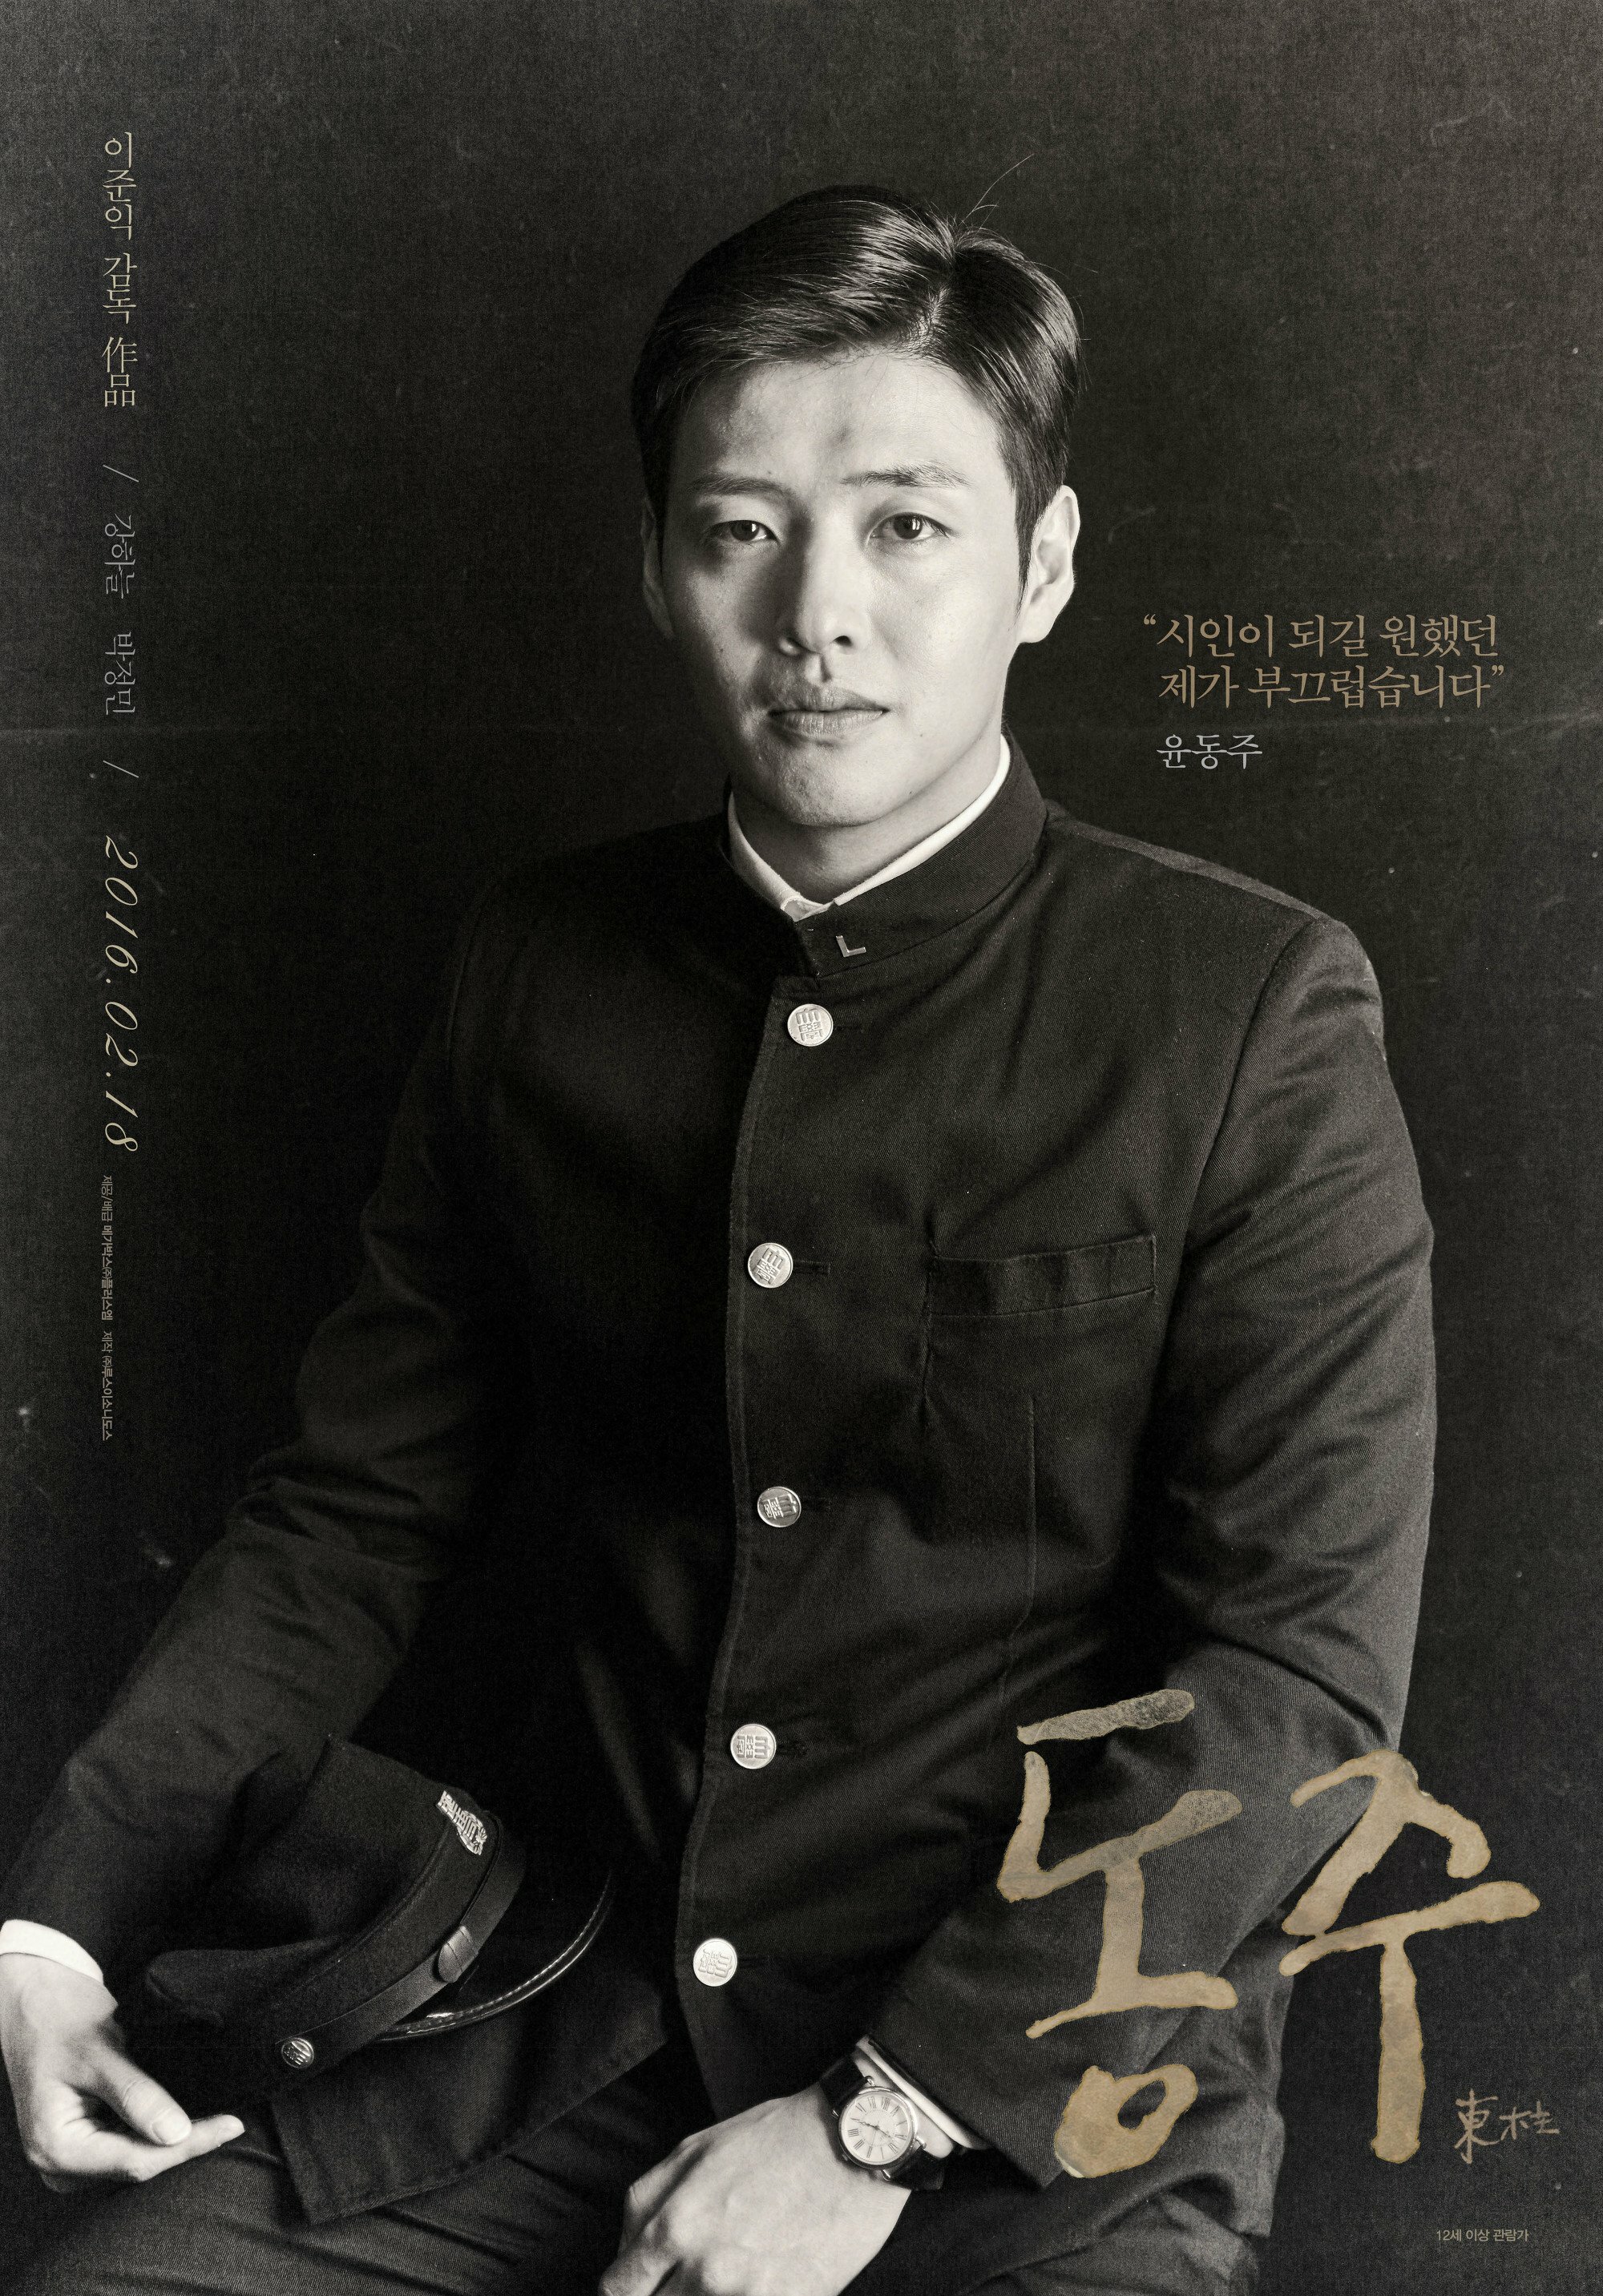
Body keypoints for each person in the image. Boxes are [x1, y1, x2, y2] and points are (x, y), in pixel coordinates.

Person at [0, 184, 1435, 2295]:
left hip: (1048, 2101)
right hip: (560, 2033)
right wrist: (51, 1927)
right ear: (658, 567)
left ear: (1043, 566)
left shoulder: (1249, 1013)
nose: (817, 613)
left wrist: (881, 2117)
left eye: (907, 526)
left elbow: (1293, 1674)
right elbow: (354, 1513)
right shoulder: (542, 966)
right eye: (742, 528)